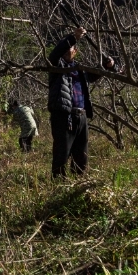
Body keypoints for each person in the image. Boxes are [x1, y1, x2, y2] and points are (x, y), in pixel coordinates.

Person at [47, 27, 116, 178]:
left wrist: (108, 65)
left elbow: (95, 73)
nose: (67, 51)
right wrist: (73, 38)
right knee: (61, 154)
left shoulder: (80, 69)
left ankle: (78, 183)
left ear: (75, 51)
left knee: (81, 155)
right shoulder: (56, 66)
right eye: (65, 49)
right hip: (64, 116)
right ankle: (59, 186)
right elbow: (55, 53)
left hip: (81, 116)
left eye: (70, 49)